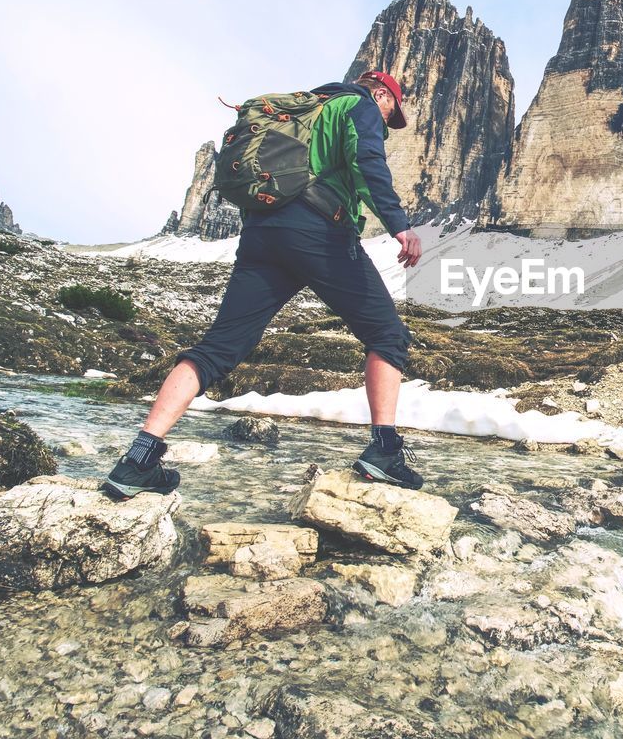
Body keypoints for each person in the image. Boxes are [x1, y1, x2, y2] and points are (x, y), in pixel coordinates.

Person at [102, 71, 424, 501]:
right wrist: (400, 227)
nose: (388, 121)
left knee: (217, 349)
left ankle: (137, 460)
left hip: (261, 233)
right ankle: (384, 452)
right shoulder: (359, 105)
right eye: (391, 111)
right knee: (387, 335)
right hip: (318, 233)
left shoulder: (305, 107)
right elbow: (369, 163)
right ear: (381, 93)